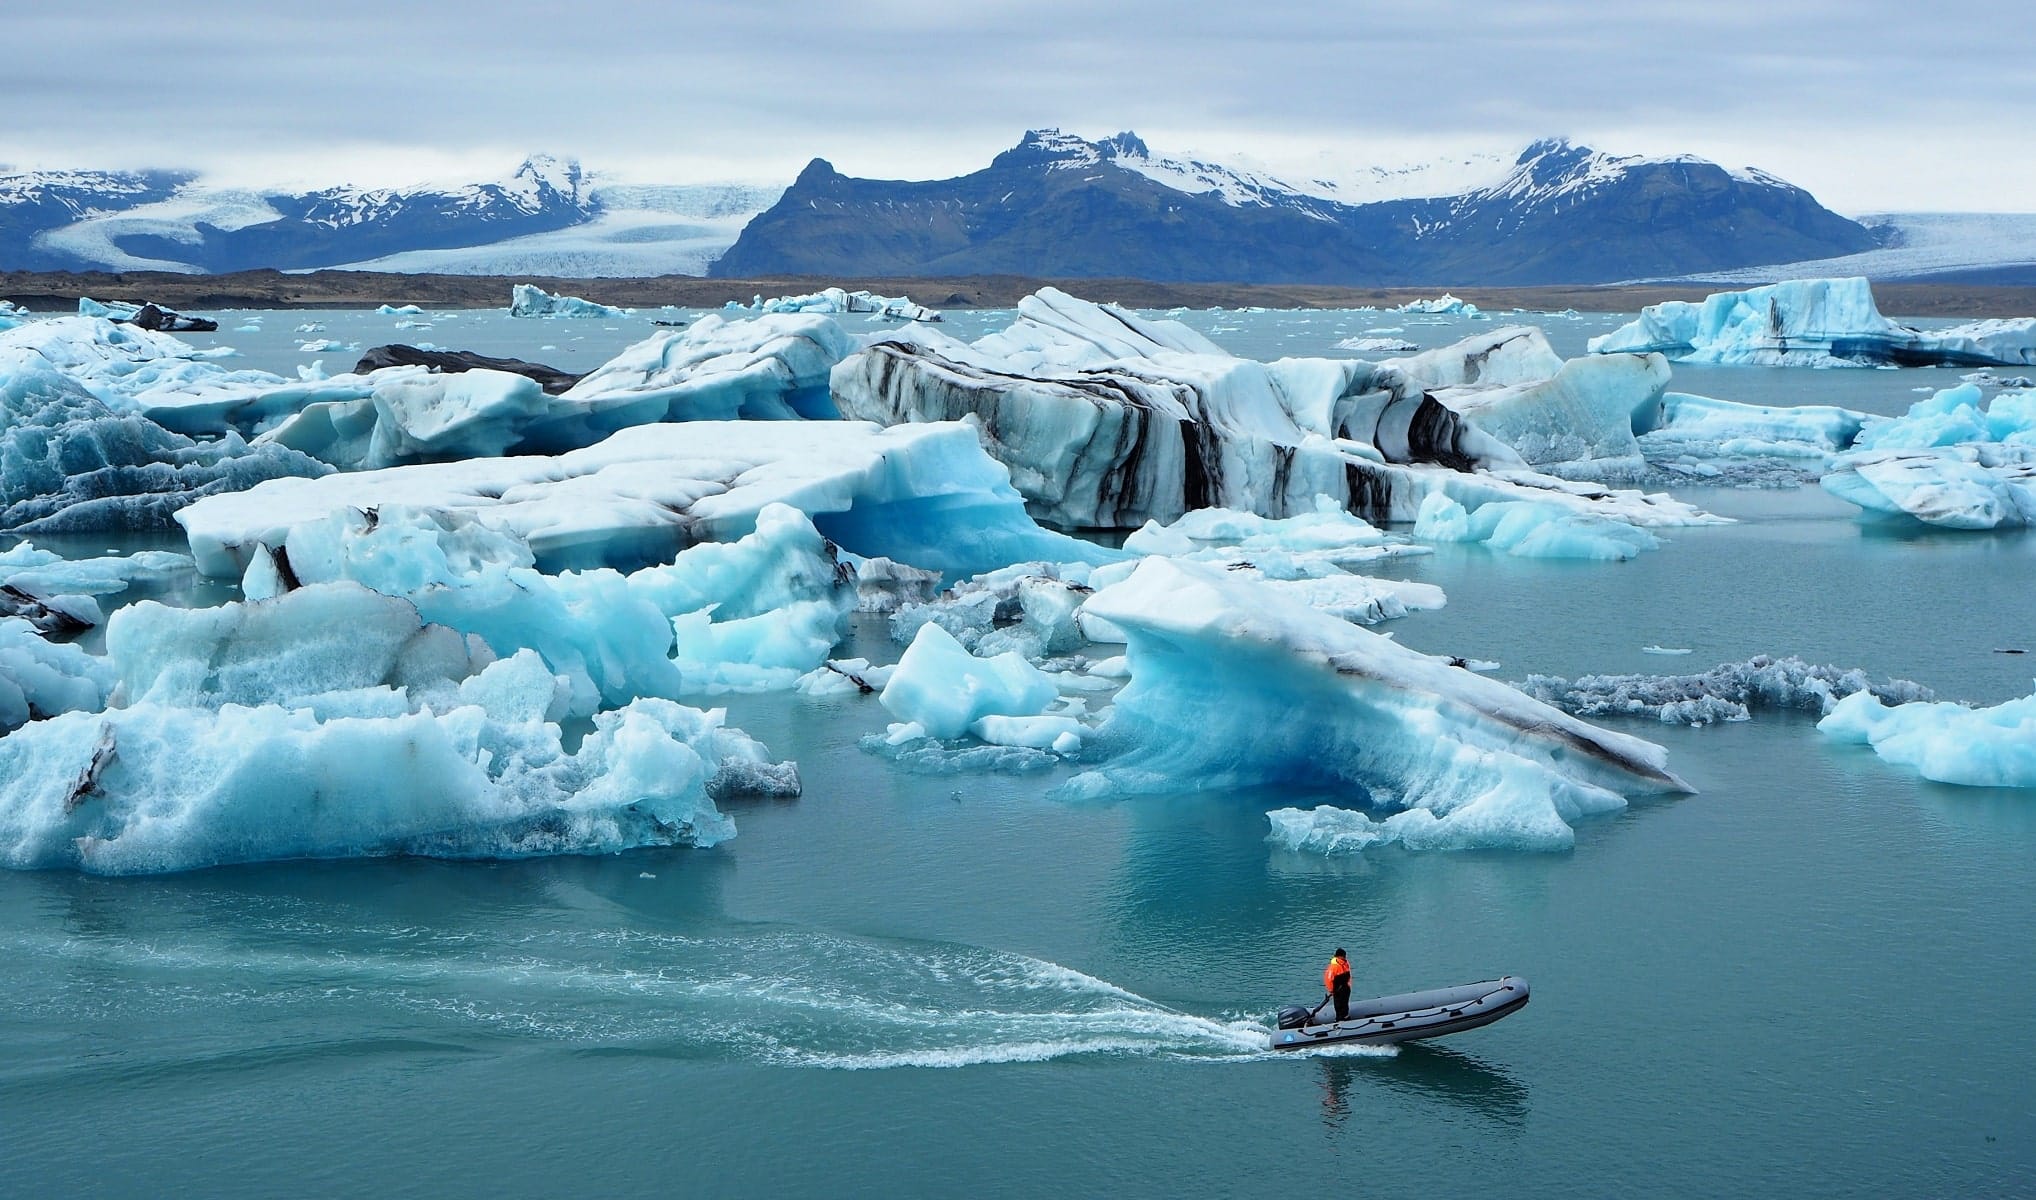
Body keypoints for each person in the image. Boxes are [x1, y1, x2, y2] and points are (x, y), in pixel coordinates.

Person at [1323, 948, 1352, 1022]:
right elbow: (1328, 979)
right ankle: (1339, 1018)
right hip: (1337, 988)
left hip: (1345, 987)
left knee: (1345, 1002)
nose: (1345, 957)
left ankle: (1345, 1016)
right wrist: (1331, 990)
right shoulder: (1333, 967)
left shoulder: (1345, 963)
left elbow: (1349, 974)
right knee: (1338, 1004)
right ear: (1339, 956)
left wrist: (1349, 985)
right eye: (1344, 956)